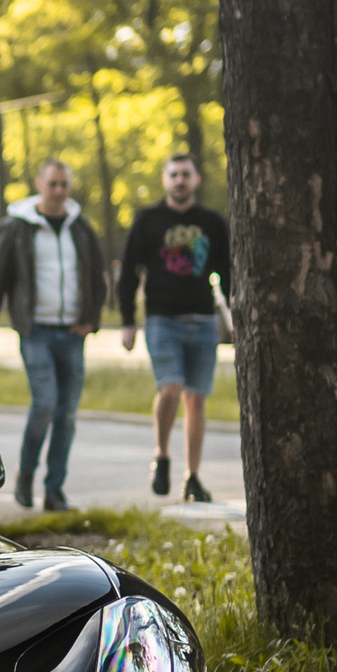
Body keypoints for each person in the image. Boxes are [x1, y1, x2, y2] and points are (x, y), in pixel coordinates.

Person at [0, 160, 106, 511]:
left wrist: (91, 320)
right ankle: (26, 474)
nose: (59, 191)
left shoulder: (81, 228)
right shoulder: (18, 228)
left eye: (65, 184)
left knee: (67, 414)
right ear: (39, 184)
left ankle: (54, 490)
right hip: (35, 332)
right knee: (45, 403)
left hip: (72, 332)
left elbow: (97, 275)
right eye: (53, 184)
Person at [117, 153, 231, 504]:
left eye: (186, 174)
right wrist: (127, 322)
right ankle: (162, 454)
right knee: (171, 388)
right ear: (165, 180)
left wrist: (233, 313)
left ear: (196, 180)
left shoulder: (212, 222)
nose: (180, 180)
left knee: (196, 399)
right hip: (161, 320)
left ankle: (192, 477)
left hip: (202, 321)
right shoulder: (148, 220)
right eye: (174, 175)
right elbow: (128, 274)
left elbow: (227, 271)